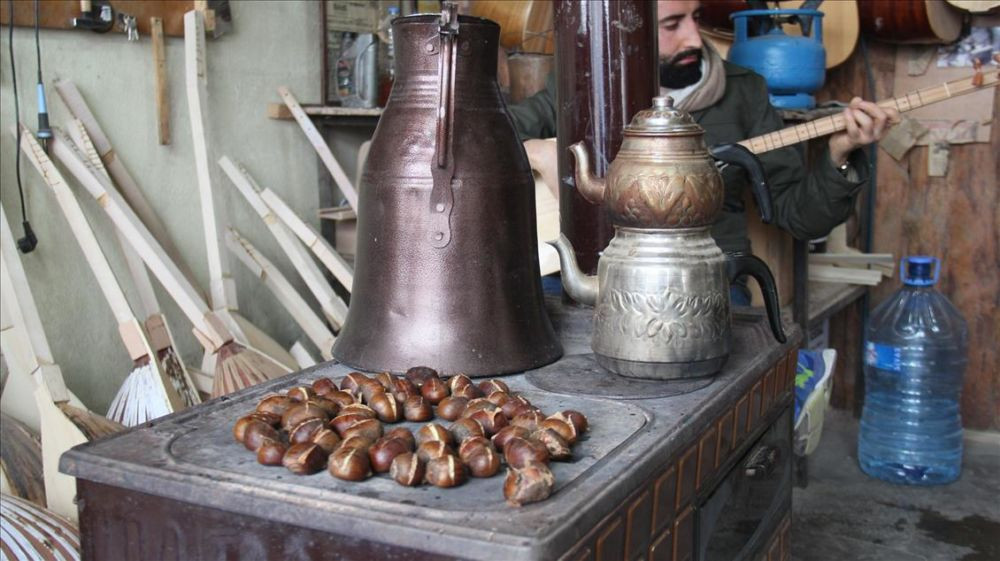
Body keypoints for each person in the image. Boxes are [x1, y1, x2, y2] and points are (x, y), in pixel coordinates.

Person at [509, 0, 900, 304]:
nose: (695, 39)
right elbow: (490, 131)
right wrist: (540, 152)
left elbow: (799, 216)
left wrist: (840, 155)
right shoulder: (587, 80)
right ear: (628, 30)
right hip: (595, 275)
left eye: (695, 17)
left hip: (704, 284)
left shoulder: (744, 92)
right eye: (671, 25)